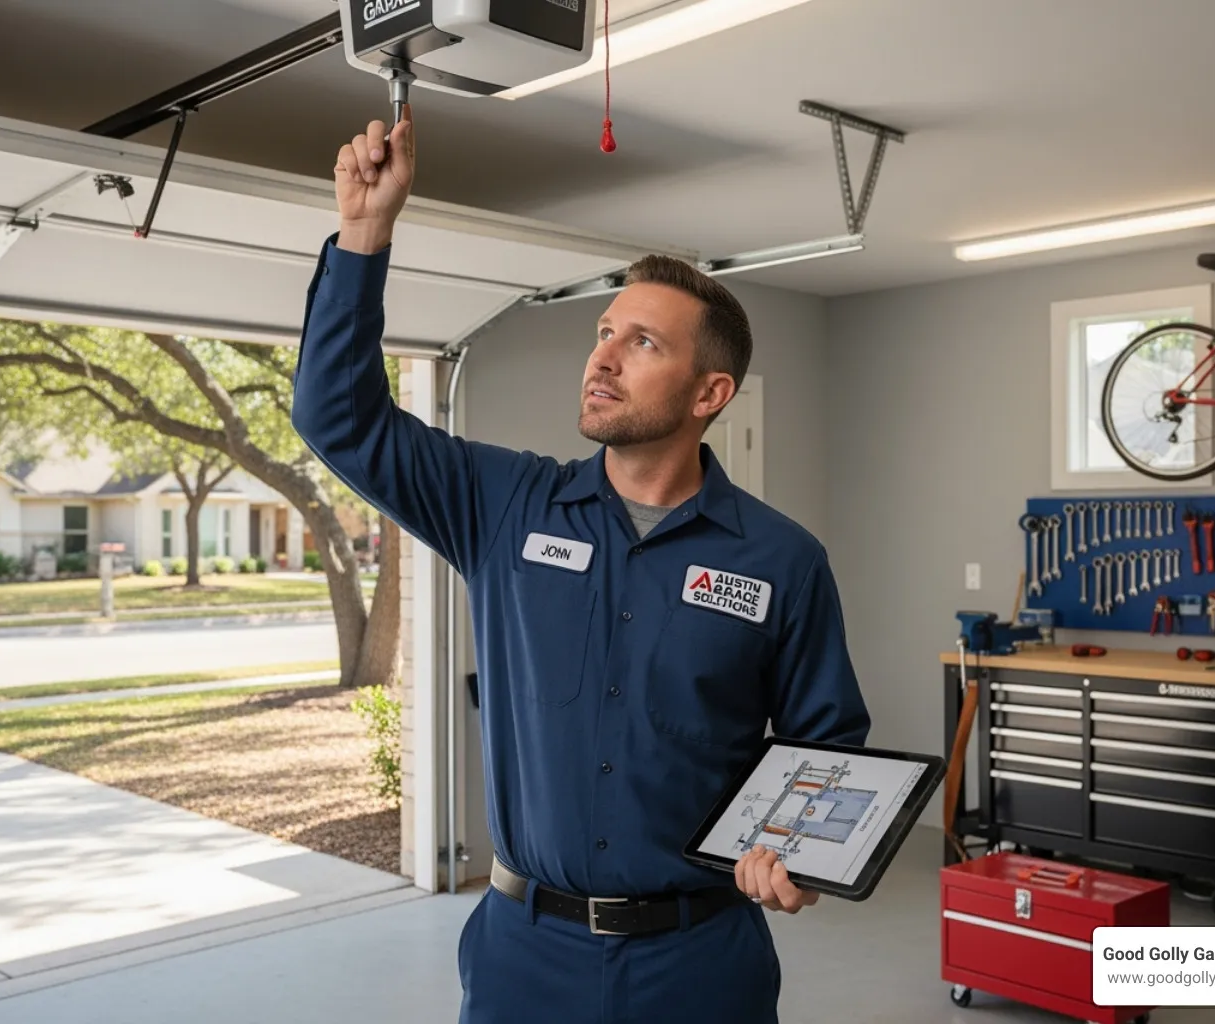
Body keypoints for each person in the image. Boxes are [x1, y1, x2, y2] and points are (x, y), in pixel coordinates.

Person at [291, 107, 871, 1024]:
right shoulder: (504, 504)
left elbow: (825, 744)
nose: (602, 356)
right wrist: (364, 236)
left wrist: (800, 857)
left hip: (702, 961)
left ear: (710, 393)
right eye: (604, 330)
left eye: (642, 342)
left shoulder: (781, 560)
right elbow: (340, 419)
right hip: (528, 955)